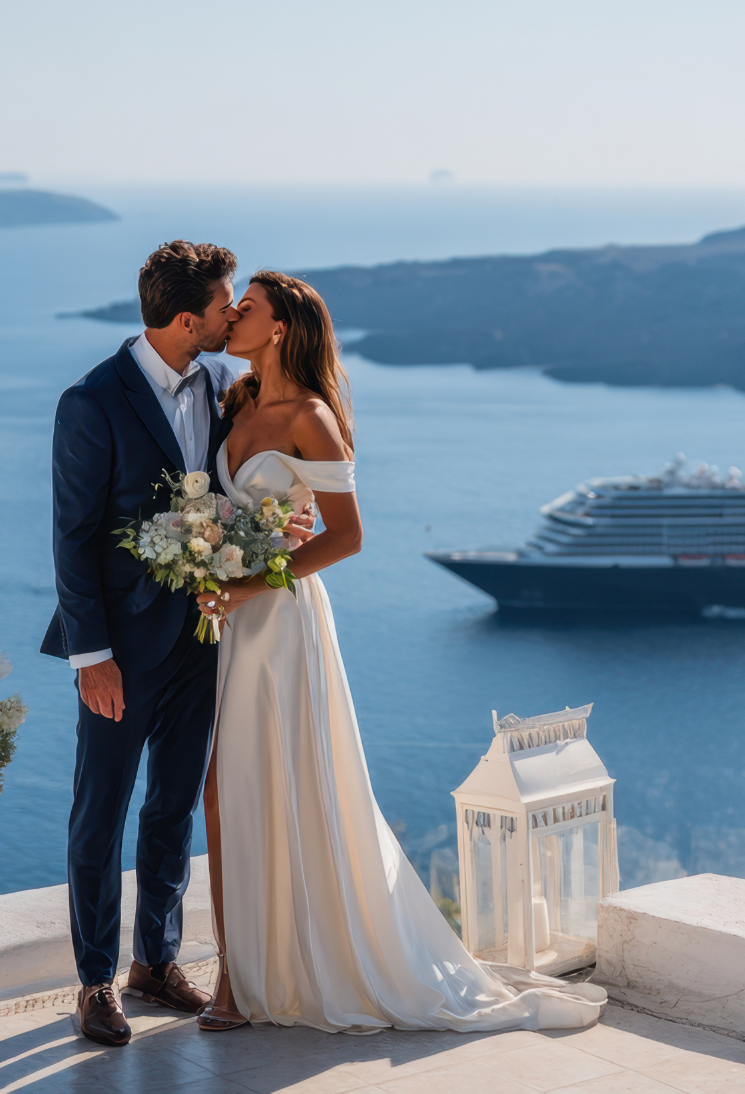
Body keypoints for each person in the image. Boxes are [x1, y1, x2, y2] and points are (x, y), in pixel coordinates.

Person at [194, 270, 605, 1034]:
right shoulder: (237, 399)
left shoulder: (310, 416)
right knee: (224, 795)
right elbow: (226, 507)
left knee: (278, 787)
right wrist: (208, 551)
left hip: (279, 623)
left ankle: (253, 978)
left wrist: (255, 580)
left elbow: (348, 537)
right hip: (231, 621)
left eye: (246, 308)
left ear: (279, 327)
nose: (233, 315)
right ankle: (235, 972)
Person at [41, 240, 244, 1046]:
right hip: (119, 652)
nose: (234, 315)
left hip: (203, 635)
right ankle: (95, 982)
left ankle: (155, 963)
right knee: (101, 812)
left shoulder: (227, 382)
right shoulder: (91, 401)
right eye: (225, 306)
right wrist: (92, 658)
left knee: (173, 804)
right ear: (186, 319)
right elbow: (73, 537)